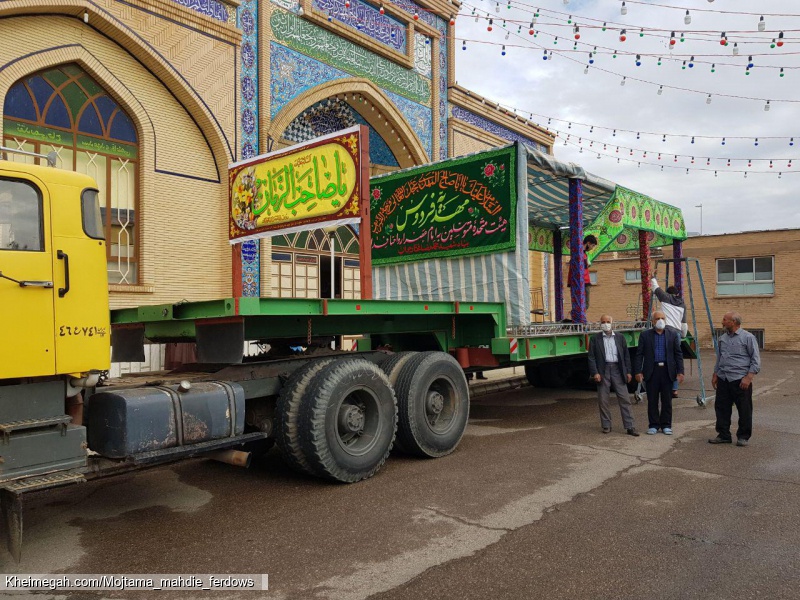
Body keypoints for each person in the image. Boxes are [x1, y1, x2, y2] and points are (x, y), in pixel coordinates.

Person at [709, 312, 761, 447]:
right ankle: (723, 435)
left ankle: (743, 436)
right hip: (723, 378)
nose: (722, 322)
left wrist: (749, 378)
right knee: (721, 408)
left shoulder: (748, 338)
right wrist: (716, 374)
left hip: (740, 380)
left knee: (744, 409)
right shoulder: (722, 338)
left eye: (725, 320)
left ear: (734, 322)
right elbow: (720, 358)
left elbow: (755, 360)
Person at [588, 315, 639, 436]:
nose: (606, 324)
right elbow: (591, 357)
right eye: (603, 322)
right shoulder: (595, 339)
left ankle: (630, 426)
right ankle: (606, 425)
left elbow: (626, 355)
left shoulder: (620, 338)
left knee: (624, 398)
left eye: (608, 322)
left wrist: (628, 371)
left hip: (617, 370)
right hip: (603, 370)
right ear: (600, 324)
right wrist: (595, 372)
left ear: (612, 323)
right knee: (603, 399)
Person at [635, 310, 684, 435]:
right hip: (652, 371)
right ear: (652, 321)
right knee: (652, 400)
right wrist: (638, 371)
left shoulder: (672, 334)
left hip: (667, 371)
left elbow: (678, 354)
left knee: (667, 400)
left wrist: (680, 371)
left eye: (662, 318)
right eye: (657, 318)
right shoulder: (645, 335)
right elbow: (639, 354)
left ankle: (666, 425)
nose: (660, 320)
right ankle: (654, 425)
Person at [651, 277, 688, 397]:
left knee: (662, 357)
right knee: (675, 359)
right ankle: (675, 389)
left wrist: (652, 277)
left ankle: (661, 385)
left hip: (666, 330)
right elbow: (684, 324)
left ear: (668, 293)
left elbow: (655, 288)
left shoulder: (665, 298)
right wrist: (683, 335)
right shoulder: (682, 304)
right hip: (677, 332)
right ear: (677, 293)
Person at [568, 234, 598, 310]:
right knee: (583, 304)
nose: (592, 248)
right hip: (582, 281)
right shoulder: (579, 252)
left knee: (581, 304)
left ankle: (578, 319)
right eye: (593, 245)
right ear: (588, 243)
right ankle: (579, 320)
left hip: (581, 281)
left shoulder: (582, 253)